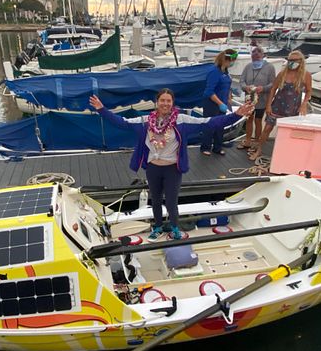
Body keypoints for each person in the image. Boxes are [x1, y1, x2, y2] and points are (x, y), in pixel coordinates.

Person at [90, 90, 254, 241]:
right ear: (157, 102)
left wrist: (236, 115)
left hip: (172, 169)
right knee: (155, 200)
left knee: (171, 201)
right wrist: (102, 109)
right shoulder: (145, 121)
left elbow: (209, 123)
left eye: (169, 101)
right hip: (153, 168)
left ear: (173, 103)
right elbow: (122, 123)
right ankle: (158, 227)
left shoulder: (182, 121)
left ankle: (175, 228)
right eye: (162, 100)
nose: (165, 103)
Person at [249, 50, 312, 161]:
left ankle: (283, 154)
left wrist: (304, 104)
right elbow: (273, 89)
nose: (291, 62)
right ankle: (259, 150)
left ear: (301, 61)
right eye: (289, 60)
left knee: (287, 132)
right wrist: (268, 105)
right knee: (267, 128)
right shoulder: (283, 73)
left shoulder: (306, 75)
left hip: (292, 107)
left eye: (294, 60)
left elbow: (309, 91)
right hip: (277, 105)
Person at [237, 46, 276, 151]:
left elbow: (273, 83)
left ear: (263, 56)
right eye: (254, 56)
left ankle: (257, 142)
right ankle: (248, 140)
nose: (256, 58)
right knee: (249, 119)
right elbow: (241, 81)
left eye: (258, 56)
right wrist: (246, 87)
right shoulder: (248, 66)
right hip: (249, 98)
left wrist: (263, 88)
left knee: (258, 120)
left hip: (262, 100)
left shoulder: (270, 67)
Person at [200, 49, 237, 156]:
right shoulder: (214, 72)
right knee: (210, 126)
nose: (233, 63)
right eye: (232, 60)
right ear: (226, 59)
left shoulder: (225, 71)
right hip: (212, 104)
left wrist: (229, 97)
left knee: (220, 126)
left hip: (223, 102)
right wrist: (220, 103)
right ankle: (205, 147)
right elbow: (209, 91)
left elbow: (227, 85)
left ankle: (217, 147)